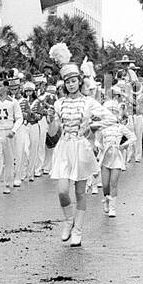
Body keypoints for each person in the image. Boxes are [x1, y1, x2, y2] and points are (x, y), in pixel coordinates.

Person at [48, 62, 104, 245]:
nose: (71, 85)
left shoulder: (89, 102)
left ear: (79, 82)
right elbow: (51, 133)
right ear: (64, 84)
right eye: (68, 82)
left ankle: (78, 230)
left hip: (80, 148)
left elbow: (106, 118)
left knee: (80, 192)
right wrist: (51, 121)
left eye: (74, 81)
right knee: (63, 191)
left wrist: (92, 131)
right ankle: (68, 220)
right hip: (64, 148)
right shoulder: (59, 103)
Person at [96, 97, 135, 217]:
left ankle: (113, 208)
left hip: (116, 157)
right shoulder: (102, 127)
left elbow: (133, 137)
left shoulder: (120, 127)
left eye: (114, 111)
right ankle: (107, 199)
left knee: (114, 183)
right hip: (105, 157)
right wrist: (100, 146)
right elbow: (97, 141)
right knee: (105, 184)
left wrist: (123, 146)